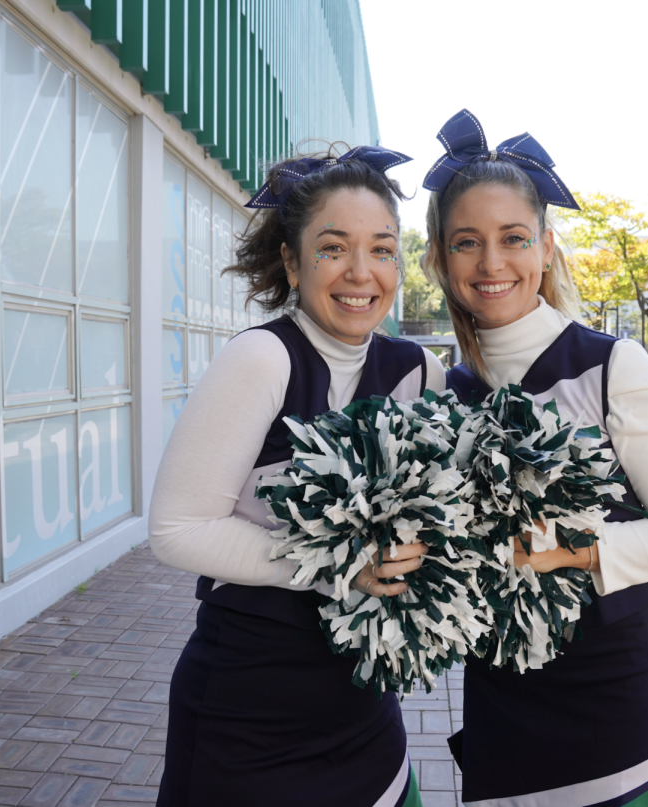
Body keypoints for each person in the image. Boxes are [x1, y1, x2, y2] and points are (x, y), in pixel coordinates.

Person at [420, 110, 648, 807]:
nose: (491, 263)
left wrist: (574, 548)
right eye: (466, 242)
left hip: (613, 700)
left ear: (547, 247)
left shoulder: (610, 365)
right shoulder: (446, 390)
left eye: (513, 238)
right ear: (440, 258)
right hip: (501, 697)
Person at [149, 145, 446, 807]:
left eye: (383, 249)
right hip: (249, 719)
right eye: (334, 248)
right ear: (291, 261)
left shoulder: (418, 372)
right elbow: (176, 529)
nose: (361, 273)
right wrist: (341, 562)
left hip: (366, 711)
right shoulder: (263, 358)